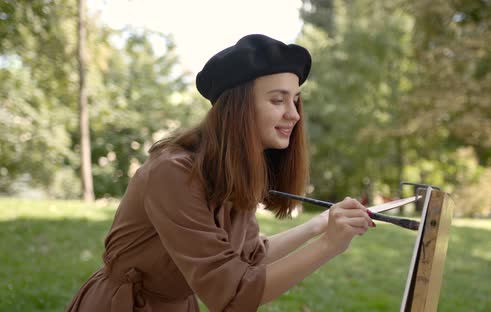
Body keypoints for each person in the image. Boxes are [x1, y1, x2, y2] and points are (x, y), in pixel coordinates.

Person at [66, 34, 375, 312]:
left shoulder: (232, 171)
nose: (294, 114)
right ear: (238, 108)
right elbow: (232, 294)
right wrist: (328, 245)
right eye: (278, 100)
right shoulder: (173, 173)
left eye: (295, 101)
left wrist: (319, 225)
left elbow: (252, 254)